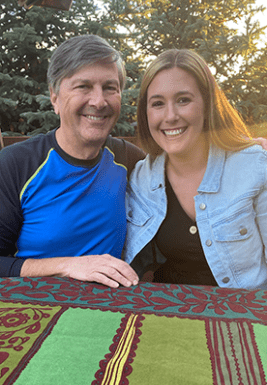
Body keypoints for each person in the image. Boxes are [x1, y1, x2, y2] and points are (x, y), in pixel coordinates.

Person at [0, 34, 145, 287]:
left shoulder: (129, 160)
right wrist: (68, 265)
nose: (98, 101)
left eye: (110, 88)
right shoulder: (16, 165)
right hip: (33, 309)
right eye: (83, 86)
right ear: (54, 97)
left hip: (111, 309)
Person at [124, 48, 267, 289]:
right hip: (168, 312)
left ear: (207, 104)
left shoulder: (253, 167)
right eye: (157, 103)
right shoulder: (141, 176)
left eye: (183, 100)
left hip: (245, 314)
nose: (170, 116)